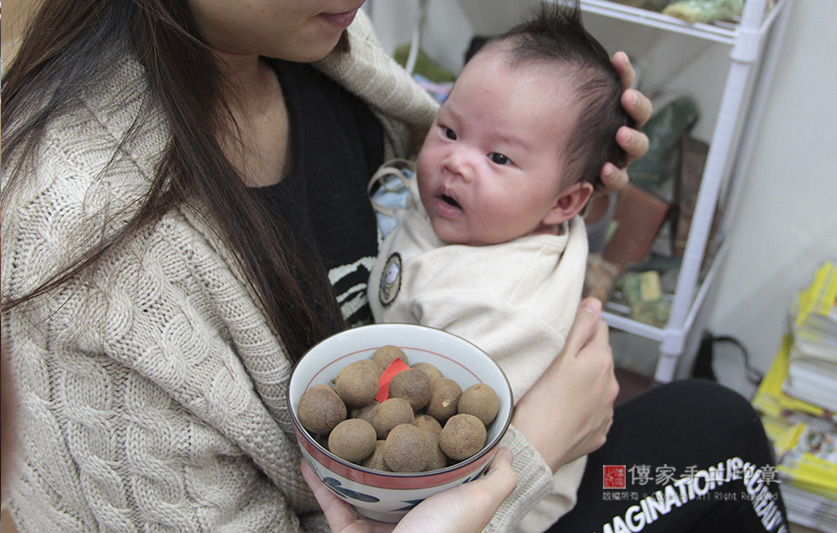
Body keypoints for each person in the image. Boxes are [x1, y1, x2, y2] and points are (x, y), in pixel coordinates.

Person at [0, 0, 650, 531]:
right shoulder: (81, 254)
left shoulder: (313, 32)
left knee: (712, 427)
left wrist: (555, 194)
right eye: (451, 132)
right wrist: (538, 443)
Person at [367, 6, 630, 531]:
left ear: (564, 203)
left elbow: (450, 431)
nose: (456, 161)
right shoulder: (491, 215)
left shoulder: (501, 308)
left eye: (500, 158)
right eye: (448, 129)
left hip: (494, 504)